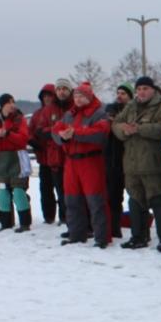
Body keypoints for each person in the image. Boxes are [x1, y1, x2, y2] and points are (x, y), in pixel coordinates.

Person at [112, 76, 161, 251]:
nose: (141, 92)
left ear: (153, 90)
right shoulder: (130, 106)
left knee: (159, 201)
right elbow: (116, 123)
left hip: (153, 163)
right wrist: (124, 130)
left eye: (145, 88)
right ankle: (138, 236)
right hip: (131, 164)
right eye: (139, 89)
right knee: (135, 200)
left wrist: (139, 129)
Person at [54, 82, 112, 248]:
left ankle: (102, 237)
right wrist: (62, 136)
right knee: (72, 200)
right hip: (71, 161)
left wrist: (75, 133)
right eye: (76, 96)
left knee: (96, 200)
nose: (78, 99)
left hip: (91, 161)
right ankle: (76, 234)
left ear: (89, 97)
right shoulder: (69, 114)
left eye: (81, 96)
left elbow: (100, 133)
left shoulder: (99, 113)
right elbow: (56, 129)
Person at [0, 94, 32, 232]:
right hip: (1, 160)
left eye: (13, 102)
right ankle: (6, 223)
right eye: (8, 102)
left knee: (18, 192)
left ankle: (25, 223)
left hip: (17, 159)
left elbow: (23, 139)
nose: (12, 105)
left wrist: (8, 135)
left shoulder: (19, 119)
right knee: (2, 193)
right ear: (2, 105)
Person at [29, 83, 67, 225]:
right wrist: (33, 142)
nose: (47, 99)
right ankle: (48, 216)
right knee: (45, 189)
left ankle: (64, 216)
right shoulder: (37, 114)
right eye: (44, 96)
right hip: (43, 157)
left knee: (61, 188)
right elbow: (31, 131)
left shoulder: (60, 111)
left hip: (58, 156)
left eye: (49, 96)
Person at [103, 84, 132, 239]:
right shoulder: (110, 109)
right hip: (113, 159)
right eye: (118, 93)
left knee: (135, 195)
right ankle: (114, 227)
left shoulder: (134, 111)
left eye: (124, 93)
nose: (120, 96)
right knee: (113, 196)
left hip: (131, 158)